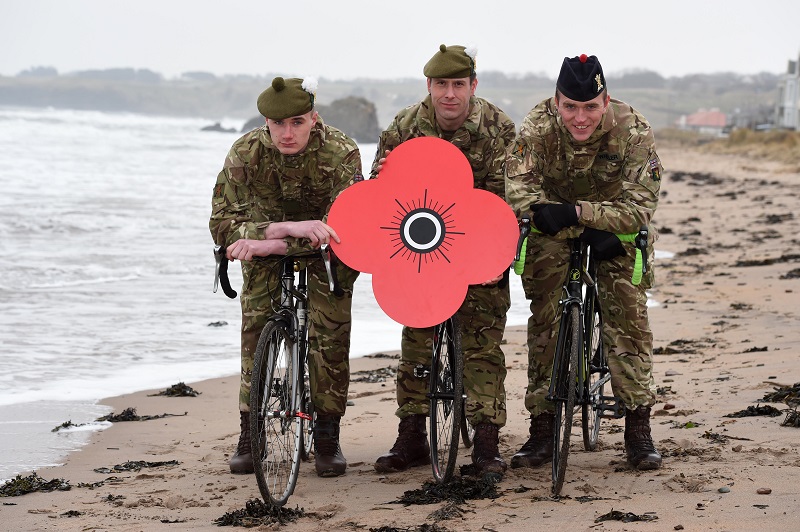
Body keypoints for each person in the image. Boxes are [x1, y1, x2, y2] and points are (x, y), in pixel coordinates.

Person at [505, 54, 663, 471]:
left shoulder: (634, 129)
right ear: (557, 101)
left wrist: (583, 214)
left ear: (605, 101)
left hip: (615, 229)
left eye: (590, 107)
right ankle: (541, 431)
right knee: (544, 320)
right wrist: (549, 214)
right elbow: (518, 189)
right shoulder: (536, 127)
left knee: (628, 319)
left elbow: (641, 206)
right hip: (554, 226)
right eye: (570, 107)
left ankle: (638, 430)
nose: (580, 118)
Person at [370, 44, 516, 478]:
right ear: (429, 86)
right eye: (440, 85)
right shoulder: (406, 126)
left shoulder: (498, 129)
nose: (448, 94)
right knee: (416, 339)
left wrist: (490, 256)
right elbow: (381, 184)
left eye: (458, 84)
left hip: (480, 244)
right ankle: (412, 434)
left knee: (482, 344)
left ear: (473, 85)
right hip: (422, 246)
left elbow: (510, 196)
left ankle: (487, 443)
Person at [209, 76, 362, 477]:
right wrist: (276, 232)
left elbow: (346, 226)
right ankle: (250, 433)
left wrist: (273, 243)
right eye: (278, 124)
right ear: (266, 122)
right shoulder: (245, 151)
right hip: (264, 246)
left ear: (314, 116)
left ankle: (327, 436)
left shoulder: (341, 151)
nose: (287, 133)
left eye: (297, 122)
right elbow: (222, 223)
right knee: (255, 327)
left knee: (330, 331)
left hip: (327, 251)